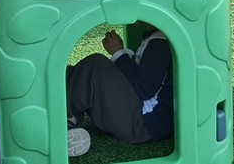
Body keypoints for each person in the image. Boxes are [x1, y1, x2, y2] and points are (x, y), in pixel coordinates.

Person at [65, 23, 173, 157]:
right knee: (79, 73)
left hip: (143, 123)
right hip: (143, 121)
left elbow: (143, 88)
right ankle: (71, 120)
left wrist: (119, 53)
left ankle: (65, 118)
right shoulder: (158, 38)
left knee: (96, 65)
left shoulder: (160, 42)